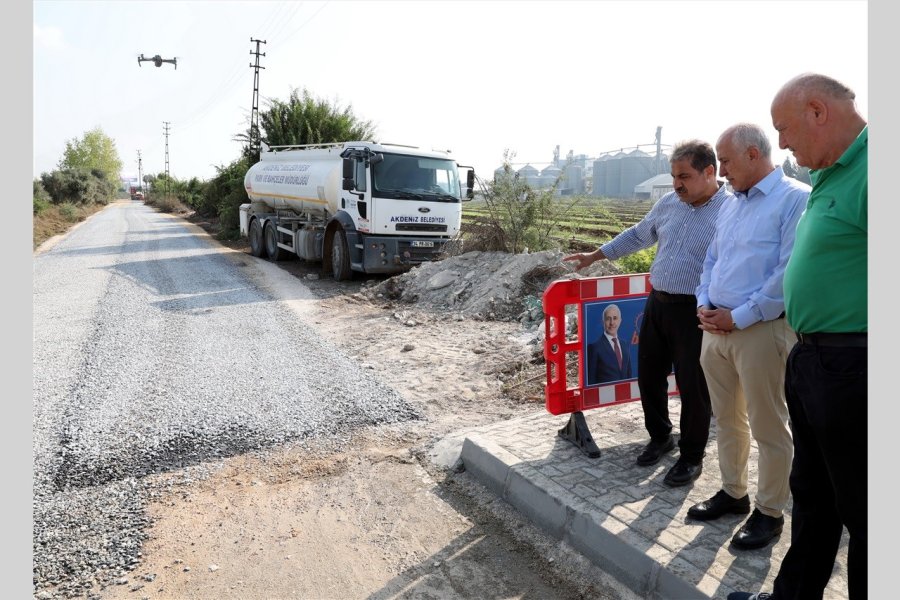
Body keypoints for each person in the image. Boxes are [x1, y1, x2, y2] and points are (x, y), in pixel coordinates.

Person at [728, 74, 867, 600]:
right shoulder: (831, 174)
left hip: (856, 365)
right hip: (814, 359)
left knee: (866, 511)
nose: (781, 143)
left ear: (817, 111)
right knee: (814, 495)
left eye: (784, 129)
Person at [565, 140, 731, 487]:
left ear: (709, 172)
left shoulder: (731, 210)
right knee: (649, 375)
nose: (676, 184)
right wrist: (595, 256)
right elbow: (639, 234)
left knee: (693, 386)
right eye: (673, 175)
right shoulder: (670, 203)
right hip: (658, 303)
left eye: (684, 176)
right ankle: (660, 437)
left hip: (696, 310)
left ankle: (691, 456)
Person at [688, 123, 809, 551]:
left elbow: (786, 274)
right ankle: (734, 492)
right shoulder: (732, 204)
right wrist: (705, 302)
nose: (720, 171)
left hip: (759, 331)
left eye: (726, 160)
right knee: (727, 421)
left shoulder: (794, 199)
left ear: (754, 155)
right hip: (715, 329)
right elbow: (712, 260)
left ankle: (770, 512)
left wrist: (737, 317)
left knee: (769, 425)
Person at [586, 303, 632, 384]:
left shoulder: (625, 345)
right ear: (603, 322)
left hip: (624, 393)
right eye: (608, 319)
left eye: (615, 318)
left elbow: (629, 375)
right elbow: (590, 379)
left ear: (620, 321)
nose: (612, 323)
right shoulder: (594, 348)